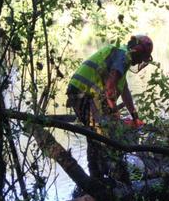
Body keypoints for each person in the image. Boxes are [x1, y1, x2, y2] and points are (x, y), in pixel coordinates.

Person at [66, 34, 153, 182]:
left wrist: (135, 117)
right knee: (101, 133)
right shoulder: (123, 57)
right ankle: (105, 177)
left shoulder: (122, 60)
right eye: (141, 58)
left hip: (88, 95)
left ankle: (102, 176)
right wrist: (115, 115)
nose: (139, 62)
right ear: (137, 51)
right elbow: (109, 89)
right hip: (82, 93)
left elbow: (125, 93)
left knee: (97, 134)